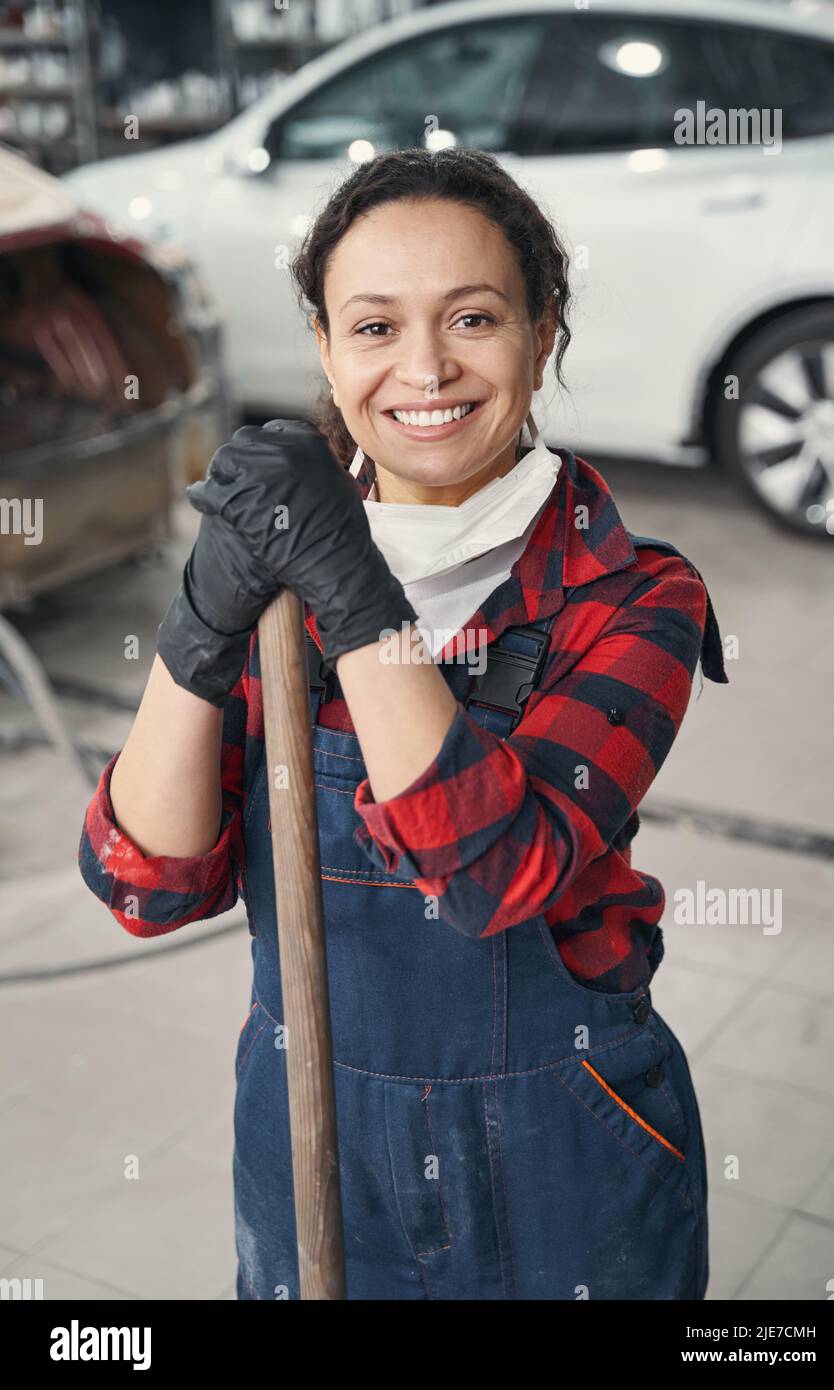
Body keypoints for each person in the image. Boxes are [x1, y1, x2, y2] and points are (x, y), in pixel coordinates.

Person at [78, 147, 728, 1301]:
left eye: (471, 317)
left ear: (544, 330)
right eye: (372, 328)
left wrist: (357, 599)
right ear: (324, 350)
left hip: (563, 1138)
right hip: (310, 1121)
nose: (423, 367)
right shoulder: (277, 580)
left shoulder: (629, 594)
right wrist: (202, 622)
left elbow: (490, 875)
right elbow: (148, 881)